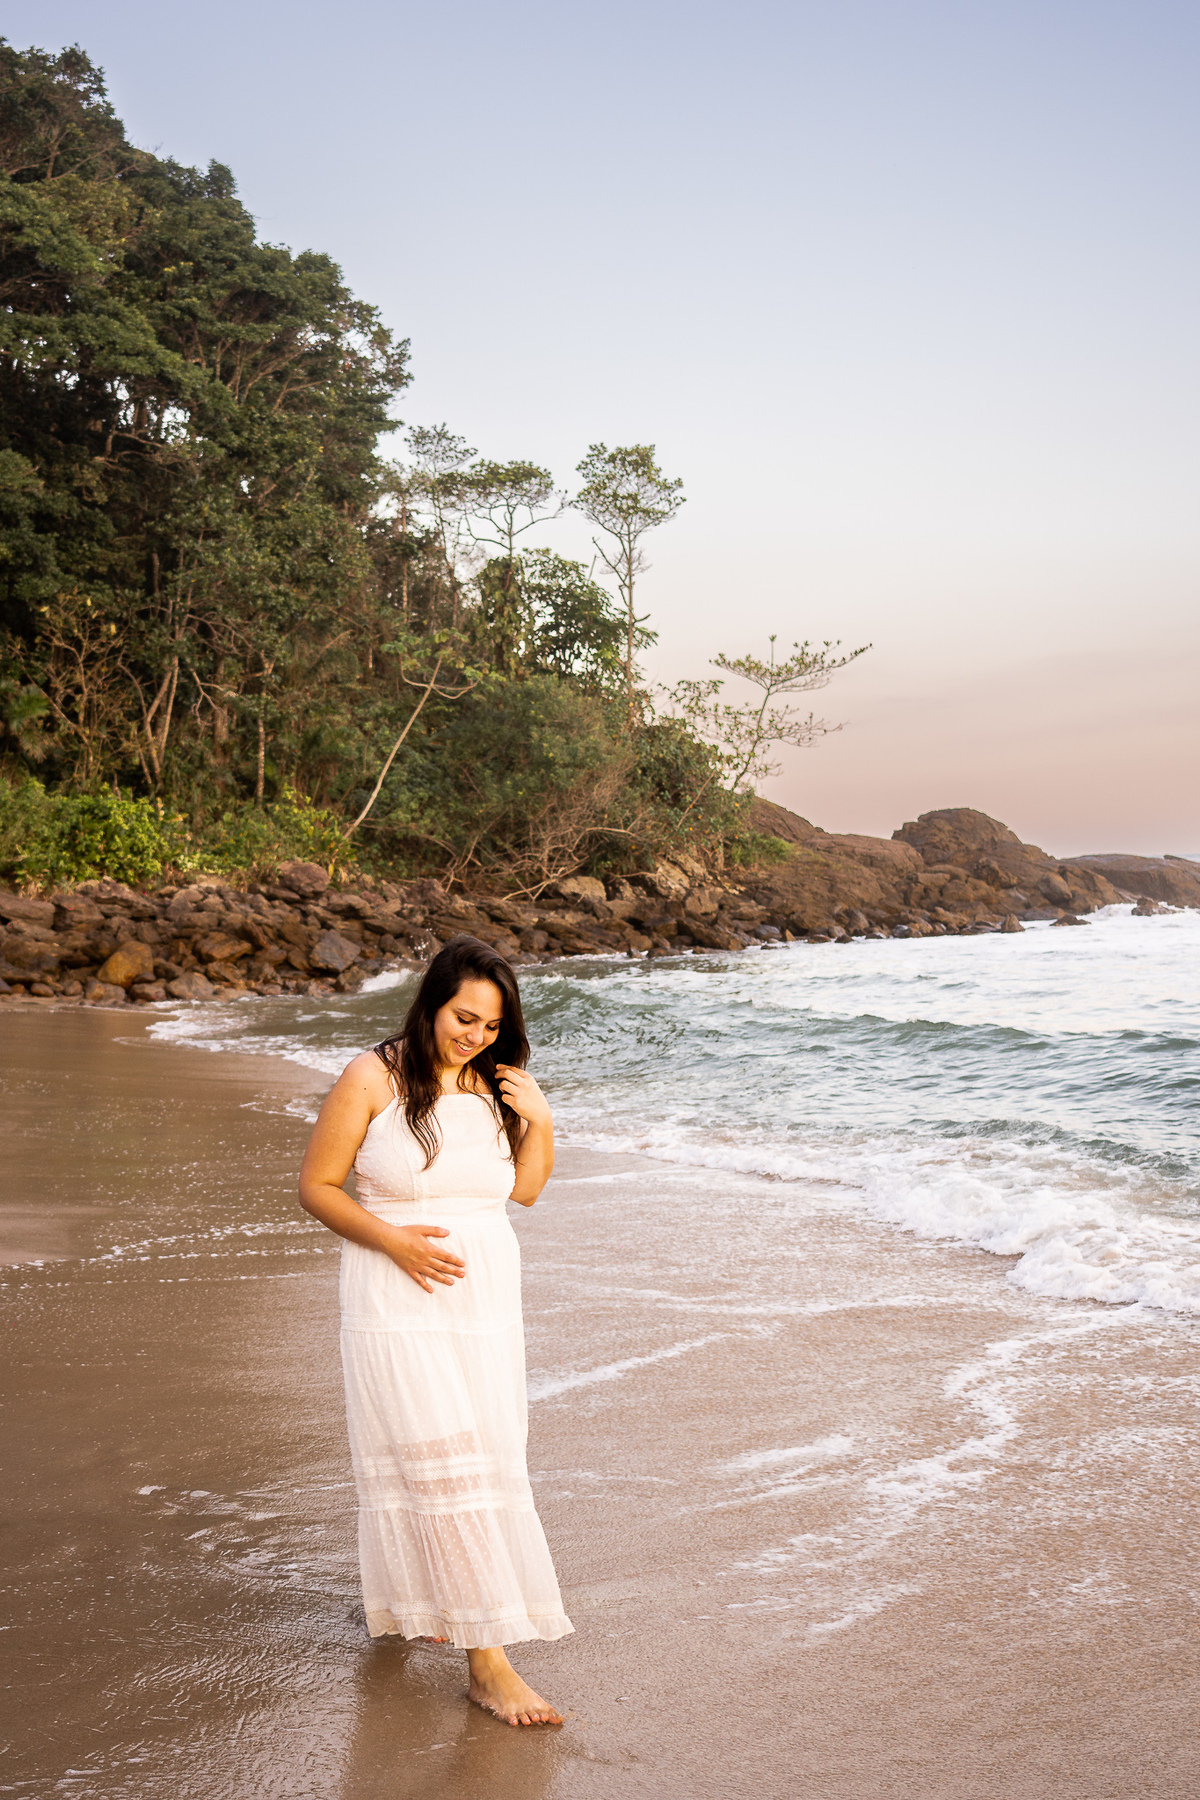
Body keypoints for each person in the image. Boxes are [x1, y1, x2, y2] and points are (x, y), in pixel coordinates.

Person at [299, 934, 572, 1726]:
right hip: (394, 1293)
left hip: (483, 1304)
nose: (474, 1036)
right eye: (463, 1018)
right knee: (438, 1452)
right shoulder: (372, 1076)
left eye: (490, 1025)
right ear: (432, 1001)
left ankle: (427, 1603)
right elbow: (316, 1186)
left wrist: (541, 1119)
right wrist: (394, 1240)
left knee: (478, 1457)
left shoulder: (499, 1084)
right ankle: (489, 1663)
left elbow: (524, 1191)